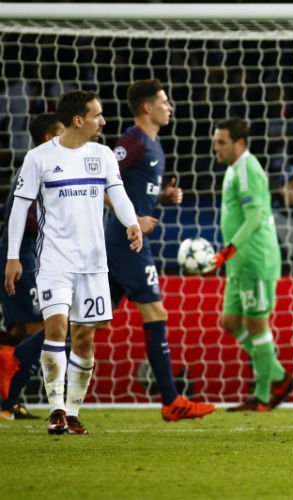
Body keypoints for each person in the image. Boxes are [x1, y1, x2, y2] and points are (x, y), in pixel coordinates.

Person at [4, 90, 143, 435]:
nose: (103, 120)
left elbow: (119, 195)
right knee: (55, 329)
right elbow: (20, 207)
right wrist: (11, 256)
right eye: (97, 114)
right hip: (54, 260)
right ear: (79, 120)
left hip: (94, 263)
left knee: (84, 339)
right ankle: (56, 410)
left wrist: (132, 223)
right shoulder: (39, 158)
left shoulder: (103, 155)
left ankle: (74, 411)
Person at [104, 79, 216, 422]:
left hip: (132, 241)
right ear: (147, 108)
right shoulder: (132, 142)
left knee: (88, 322)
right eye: (165, 102)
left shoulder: (155, 146)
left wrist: (162, 198)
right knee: (156, 313)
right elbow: (100, 184)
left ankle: (17, 363)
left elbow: (137, 192)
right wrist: (134, 217)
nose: (170, 108)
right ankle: (171, 400)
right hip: (127, 242)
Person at [210, 117, 293, 412]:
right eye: (215, 141)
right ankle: (278, 375)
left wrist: (227, 251)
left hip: (255, 259)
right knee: (230, 322)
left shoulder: (248, 168)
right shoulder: (234, 170)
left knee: (257, 324)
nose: (215, 147)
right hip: (239, 263)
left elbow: (255, 217)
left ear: (240, 144)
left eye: (221, 142)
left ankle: (262, 396)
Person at [0, 113, 64, 420]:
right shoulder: (35, 170)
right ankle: (6, 402)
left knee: (19, 330)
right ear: (49, 137)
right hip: (20, 258)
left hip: (22, 257)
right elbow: (25, 218)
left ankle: (7, 400)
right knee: (41, 328)